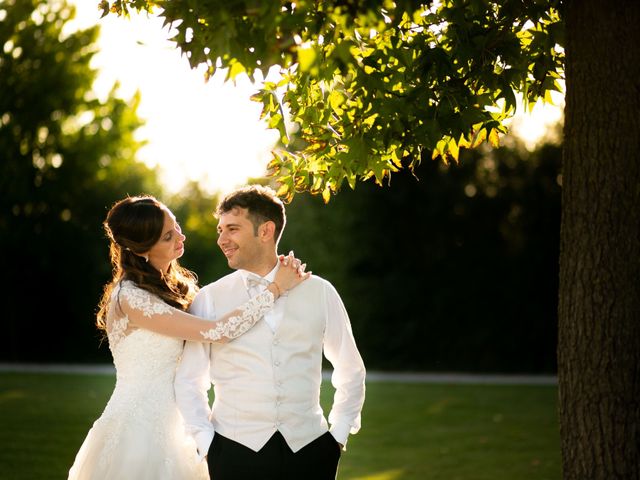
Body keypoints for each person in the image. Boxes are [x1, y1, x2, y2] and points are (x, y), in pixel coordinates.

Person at [68, 195, 309, 480]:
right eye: (168, 236)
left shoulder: (176, 288)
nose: (181, 236)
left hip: (177, 427)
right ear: (143, 250)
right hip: (138, 429)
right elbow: (218, 331)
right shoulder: (131, 298)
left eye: (176, 226)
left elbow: (226, 322)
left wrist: (269, 270)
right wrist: (274, 288)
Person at [175, 185, 366, 480]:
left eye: (232, 229)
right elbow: (190, 381)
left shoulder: (320, 291)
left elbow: (351, 368)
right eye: (220, 230)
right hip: (234, 451)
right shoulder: (210, 298)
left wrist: (337, 435)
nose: (222, 239)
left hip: (311, 451)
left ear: (265, 231)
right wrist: (207, 445)